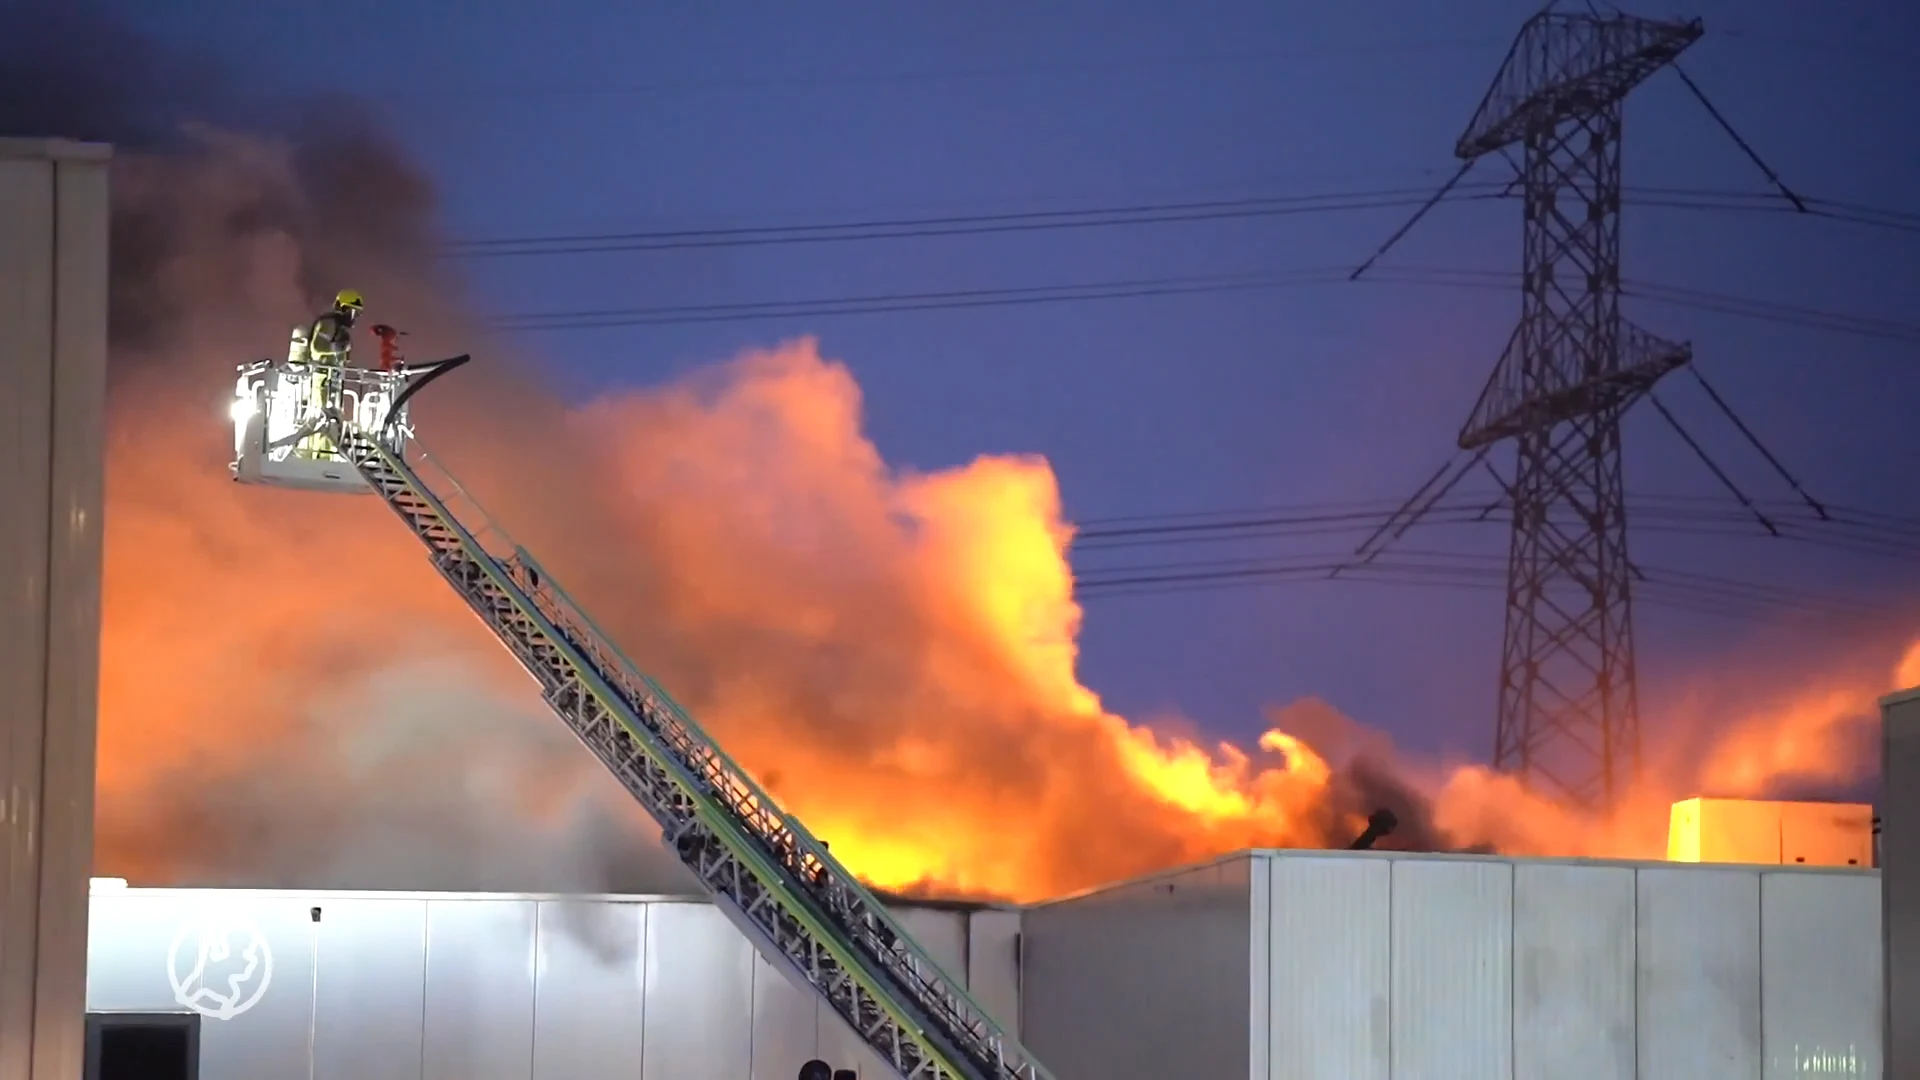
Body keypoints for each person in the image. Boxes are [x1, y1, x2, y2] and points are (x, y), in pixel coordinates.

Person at [307, 288, 365, 366]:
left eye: (357, 313)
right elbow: (318, 346)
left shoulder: (339, 328)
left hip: (332, 374)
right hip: (321, 373)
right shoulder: (329, 323)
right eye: (353, 312)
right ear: (343, 309)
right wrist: (341, 347)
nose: (355, 317)